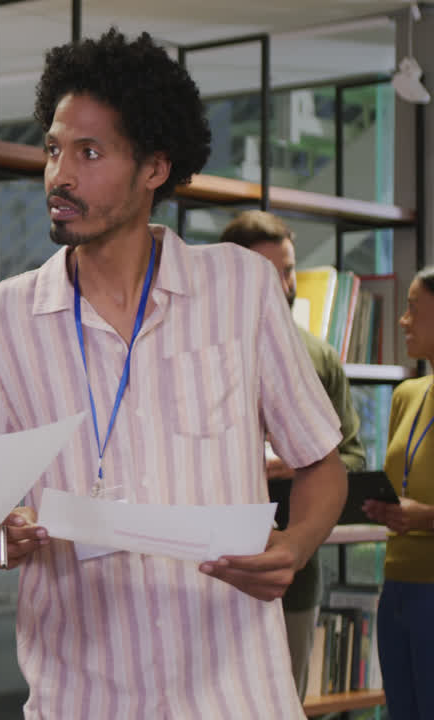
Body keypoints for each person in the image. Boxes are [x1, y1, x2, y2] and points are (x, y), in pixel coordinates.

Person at [0, 29, 347, 718]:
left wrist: (294, 545)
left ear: (154, 168)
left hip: (237, 696)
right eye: (53, 150)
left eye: (89, 153)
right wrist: (1, 531)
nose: (60, 176)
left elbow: (321, 460)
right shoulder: (3, 321)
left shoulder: (241, 288)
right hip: (79, 698)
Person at [219, 209, 366, 700]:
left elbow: (350, 459)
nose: (285, 284)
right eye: (271, 272)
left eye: (288, 270)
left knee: (286, 703)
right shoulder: (199, 349)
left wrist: (292, 463)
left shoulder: (318, 356)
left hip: (292, 573)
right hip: (202, 570)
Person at [362, 266, 434, 720]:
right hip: (397, 591)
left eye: (413, 308)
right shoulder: (407, 394)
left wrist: (427, 517)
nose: (403, 321)